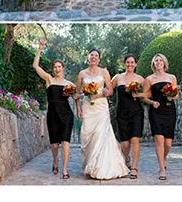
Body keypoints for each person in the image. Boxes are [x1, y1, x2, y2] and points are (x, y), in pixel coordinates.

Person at [75, 48, 129, 180]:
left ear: (99, 59)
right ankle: (90, 165)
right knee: (87, 135)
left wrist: (98, 94)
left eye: (96, 55)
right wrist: (78, 108)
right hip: (88, 107)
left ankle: (100, 168)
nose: (93, 57)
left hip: (101, 107)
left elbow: (110, 90)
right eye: (91, 55)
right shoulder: (82, 74)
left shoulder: (104, 72)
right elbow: (76, 94)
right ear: (88, 57)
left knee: (101, 134)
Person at [32, 39, 74, 179]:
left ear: (63, 68)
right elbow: (35, 66)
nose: (57, 69)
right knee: (55, 145)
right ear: (53, 69)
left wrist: (87, 92)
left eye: (59, 66)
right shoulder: (49, 79)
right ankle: (55, 160)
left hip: (67, 114)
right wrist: (40, 49)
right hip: (53, 115)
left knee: (65, 142)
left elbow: (76, 97)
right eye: (55, 67)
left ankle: (65, 169)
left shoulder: (69, 84)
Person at [140, 54, 178, 181]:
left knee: (168, 142)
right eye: (156, 60)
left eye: (160, 60)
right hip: (156, 112)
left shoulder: (171, 77)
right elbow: (145, 97)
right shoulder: (149, 79)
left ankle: (164, 157)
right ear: (153, 64)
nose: (158, 62)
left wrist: (171, 97)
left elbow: (176, 95)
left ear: (164, 63)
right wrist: (152, 102)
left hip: (169, 111)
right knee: (159, 140)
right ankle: (162, 169)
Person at [113, 55, 146, 179]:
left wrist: (138, 95)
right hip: (121, 112)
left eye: (132, 62)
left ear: (136, 64)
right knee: (125, 143)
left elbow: (148, 92)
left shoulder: (140, 79)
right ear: (124, 64)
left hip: (136, 112)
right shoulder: (118, 77)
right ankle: (127, 158)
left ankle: (134, 168)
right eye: (128, 62)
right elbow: (109, 90)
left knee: (135, 139)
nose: (130, 64)